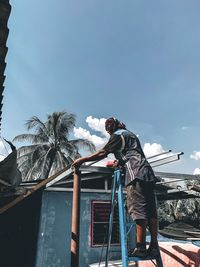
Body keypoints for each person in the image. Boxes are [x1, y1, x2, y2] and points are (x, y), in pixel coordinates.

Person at [72, 117, 160, 257]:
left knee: (138, 210)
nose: (108, 134)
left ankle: (141, 247)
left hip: (135, 173)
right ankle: (154, 246)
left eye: (108, 131)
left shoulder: (117, 135)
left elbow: (102, 153)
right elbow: (131, 153)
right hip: (147, 173)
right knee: (151, 211)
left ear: (110, 128)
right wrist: (119, 161)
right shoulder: (129, 134)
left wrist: (82, 160)